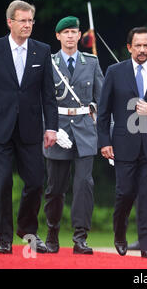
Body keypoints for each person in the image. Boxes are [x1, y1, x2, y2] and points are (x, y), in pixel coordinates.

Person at [0, 0, 58, 254]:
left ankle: (27, 230)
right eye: (23, 20)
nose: (28, 25)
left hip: (31, 130)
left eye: (31, 20)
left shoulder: (41, 51)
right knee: (1, 186)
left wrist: (51, 127)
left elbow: (48, 95)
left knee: (35, 183)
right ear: (10, 22)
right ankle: (4, 240)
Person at [97, 27, 147, 258]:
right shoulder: (114, 71)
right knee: (125, 193)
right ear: (129, 47)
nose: (141, 50)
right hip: (122, 144)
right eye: (137, 45)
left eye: (146, 46)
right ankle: (120, 233)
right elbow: (103, 112)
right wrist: (104, 142)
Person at [43, 16, 104, 254]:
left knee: (84, 185)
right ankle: (52, 233)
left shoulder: (91, 62)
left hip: (85, 130)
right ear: (58, 36)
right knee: (55, 187)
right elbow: (40, 101)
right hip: (56, 127)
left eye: (73, 32)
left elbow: (103, 100)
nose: (70, 36)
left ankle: (80, 237)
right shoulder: (49, 63)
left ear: (80, 36)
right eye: (65, 32)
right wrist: (50, 129)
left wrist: (106, 135)